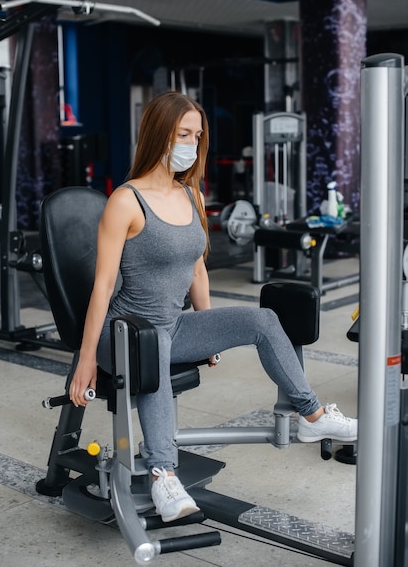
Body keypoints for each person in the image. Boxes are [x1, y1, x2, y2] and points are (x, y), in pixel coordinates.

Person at [69, 91, 357, 523]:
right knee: (156, 347)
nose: (191, 142)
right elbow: (103, 286)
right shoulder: (126, 201)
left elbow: (198, 271)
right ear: (159, 134)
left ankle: (311, 413)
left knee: (261, 319)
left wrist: (208, 330)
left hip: (171, 327)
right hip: (124, 334)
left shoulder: (192, 197)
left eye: (197, 134)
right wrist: (86, 359)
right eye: (182, 133)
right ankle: (164, 474)